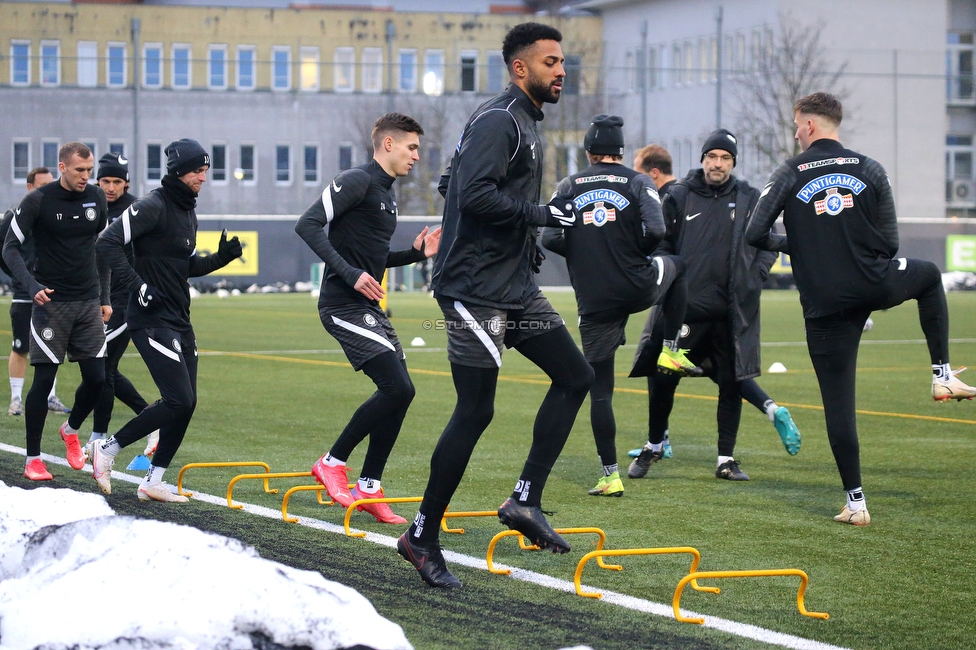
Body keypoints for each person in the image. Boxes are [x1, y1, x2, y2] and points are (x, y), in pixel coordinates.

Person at [397, 22, 594, 589]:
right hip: (473, 291)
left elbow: (469, 183)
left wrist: (525, 239)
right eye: (551, 61)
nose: (561, 71)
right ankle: (421, 535)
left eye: (563, 62)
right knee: (476, 410)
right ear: (519, 68)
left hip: (513, 288)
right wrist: (542, 216)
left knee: (574, 376)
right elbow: (475, 194)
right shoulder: (499, 118)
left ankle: (524, 501)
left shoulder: (525, 124)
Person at [746, 92, 976, 526]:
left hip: (823, 303)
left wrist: (798, 246)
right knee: (927, 276)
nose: (795, 133)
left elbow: (755, 233)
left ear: (810, 126)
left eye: (797, 125)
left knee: (839, 405)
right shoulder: (870, 168)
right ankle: (942, 375)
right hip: (871, 282)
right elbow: (889, 243)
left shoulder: (789, 171)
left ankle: (855, 502)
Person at [541, 115, 698, 498]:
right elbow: (657, 231)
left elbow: (549, 236)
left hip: (594, 297)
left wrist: (584, 252)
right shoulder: (638, 180)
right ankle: (672, 352)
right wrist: (632, 254)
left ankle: (610, 475)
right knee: (678, 266)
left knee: (601, 391)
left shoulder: (569, 184)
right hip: (636, 283)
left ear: (590, 151)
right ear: (621, 151)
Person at [295, 113, 440, 525]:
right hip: (341, 306)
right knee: (396, 387)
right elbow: (306, 224)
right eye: (412, 147)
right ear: (388, 144)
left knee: (402, 391)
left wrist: (415, 254)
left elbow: (373, 260)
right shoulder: (357, 179)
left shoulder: (387, 194)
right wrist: (351, 274)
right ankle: (331, 462)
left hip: (366, 307)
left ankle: (369, 486)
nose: (416, 156)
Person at [90, 138, 243, 502]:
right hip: (150, 317)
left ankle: (153, 481)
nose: (203, 177)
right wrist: (136, 285)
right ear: (178, 171)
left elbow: (183, 267)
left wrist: (220, 259)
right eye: (197, 170)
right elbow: (106, 243)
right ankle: (107, 448)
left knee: (187, 403)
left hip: (179, 317)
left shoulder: (188, 211)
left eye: (206, 170)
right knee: (177, 398)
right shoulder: (153, 205)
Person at [631, 144, 802, 461]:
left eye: (725, 158)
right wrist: (665, 272)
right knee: (662, 374)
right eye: (712, 157)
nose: (718, 164)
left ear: (733, 163)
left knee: (731, 381)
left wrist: (756, 275)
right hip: (684, 311)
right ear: (702, 160)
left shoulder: (750, 197)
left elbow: (769, 241)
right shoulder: (680, 195)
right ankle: (657, 443)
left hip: (728, 311)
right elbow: (661, 241)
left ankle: (725, 459)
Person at [2, 143, 111, 481]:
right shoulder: (38, 200)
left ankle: (71, 429)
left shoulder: (97, 199)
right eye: (80, 170)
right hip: (51, 306)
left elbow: (102, 249)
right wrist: (32, 285)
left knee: (97, 380)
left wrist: (104, 297)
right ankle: (33, 459)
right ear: (62, 167)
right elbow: (9, 248)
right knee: (44, 380)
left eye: (89, 170)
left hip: (88, 303)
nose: (87, 177)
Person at [90, 153, 154, 453]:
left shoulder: (135, 209)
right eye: (106, 181)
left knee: (104, 366)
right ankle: (152, 418)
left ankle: (96, 435)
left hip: (126, 298)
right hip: (97, 295)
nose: (111, 187)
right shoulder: (91, 206)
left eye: (117, 181)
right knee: (105, 369)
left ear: (126, 182)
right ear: (97, 180)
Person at [0, 167, 72, 418]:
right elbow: (3, 250)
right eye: (42, 185)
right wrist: (20, 278)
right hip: (24, 294)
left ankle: (50, 397)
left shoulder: (56, 214)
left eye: (50, 185)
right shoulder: (13, 216)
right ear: (30, 187)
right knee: (20, 346)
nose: (47, 189)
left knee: (51, 346)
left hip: (52, 293)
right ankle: (16, 400)